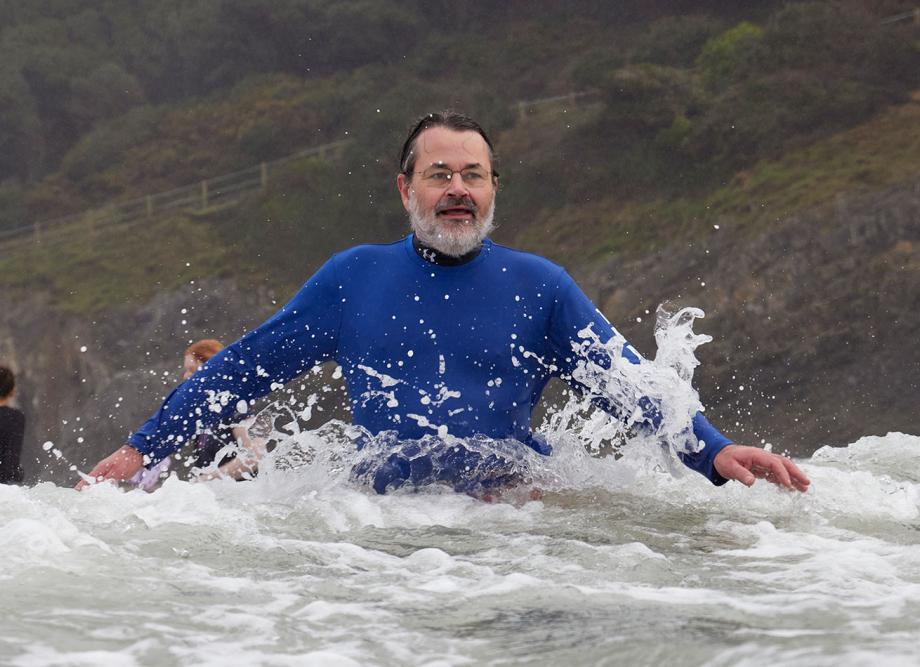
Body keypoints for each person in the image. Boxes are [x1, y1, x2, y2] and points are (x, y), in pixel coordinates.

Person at [78, 111, 810, 495]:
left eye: (474, 174)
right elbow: (243, 369)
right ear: (406, 189)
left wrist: (716, 454)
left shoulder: (542, 287)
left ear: (494, 189)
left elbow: (636, 389)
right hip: (384, 537)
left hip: (508, 527)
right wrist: (143, 446)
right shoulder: (350, 279)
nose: (458, 187)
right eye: (439, 173)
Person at [130, 339, 264, 490]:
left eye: (192, 370)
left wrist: (208, 479)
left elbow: (254, 457)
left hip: (244, 499)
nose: (186, 376)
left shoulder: (237, 408)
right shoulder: (203, 413)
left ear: (212, 369)